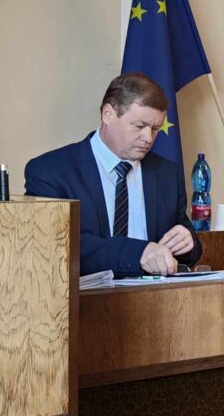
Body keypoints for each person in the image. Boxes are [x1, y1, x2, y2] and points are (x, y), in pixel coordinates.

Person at [25, 72, 203, 276]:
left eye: (155, 128)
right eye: (139, 126)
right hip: (84, 294)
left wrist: (187, 242)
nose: (148, 138)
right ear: (108, 114)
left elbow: (188, 247)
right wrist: (138, 253)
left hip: (156, 293)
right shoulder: (51, 171)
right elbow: (57, 244)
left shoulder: (167, 173)